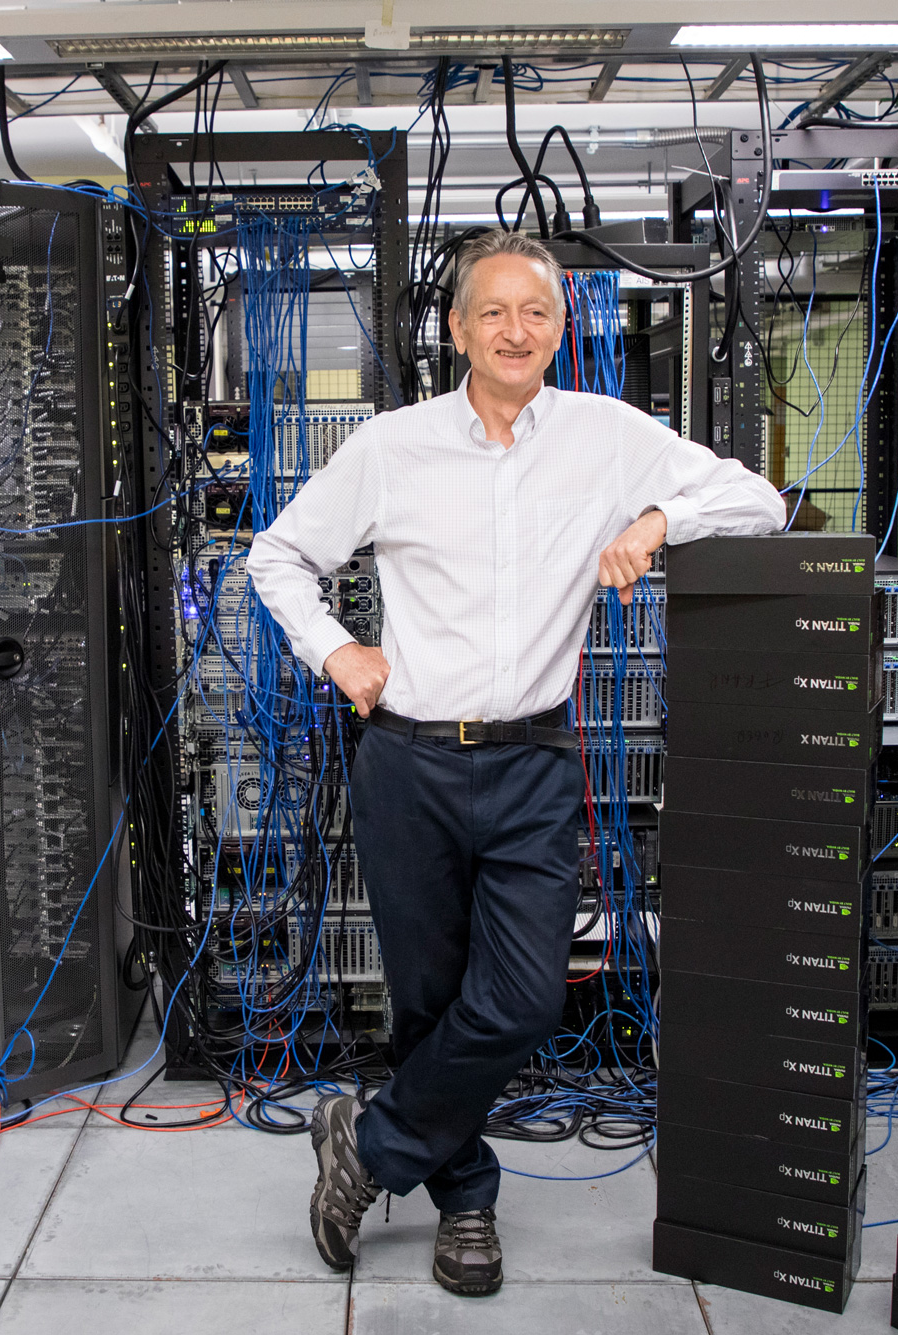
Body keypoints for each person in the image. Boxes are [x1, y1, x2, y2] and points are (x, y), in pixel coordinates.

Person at [245, 229, 785, 1295]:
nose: (513, 330)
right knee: (429, 1002)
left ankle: (369, 1143)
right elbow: (278, 555)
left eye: (534, 311)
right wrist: (335, 647)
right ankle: (466, 1204)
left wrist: (659, 517)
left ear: (560, 326)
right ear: (456, 330)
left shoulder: (605, 437)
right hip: (404, 761)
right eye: (491, 311)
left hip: (530, 759)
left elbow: (758, 500)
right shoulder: (392, 446)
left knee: (529, 994)